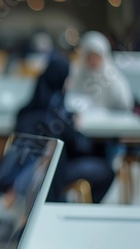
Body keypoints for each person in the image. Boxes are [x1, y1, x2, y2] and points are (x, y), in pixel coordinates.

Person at [14, 52, 115, 203]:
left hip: (27, 176)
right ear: (63, 79)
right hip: (56, 173)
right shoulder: (57, 109)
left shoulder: (26, 110)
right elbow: (77, 144)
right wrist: (75, 126)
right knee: (106, 169)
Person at [68, 30, 134, 111]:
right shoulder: (77, 76)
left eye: (96, 57)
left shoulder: (112, 78)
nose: (92, 61)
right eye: (89, 57)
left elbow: (124, 104)